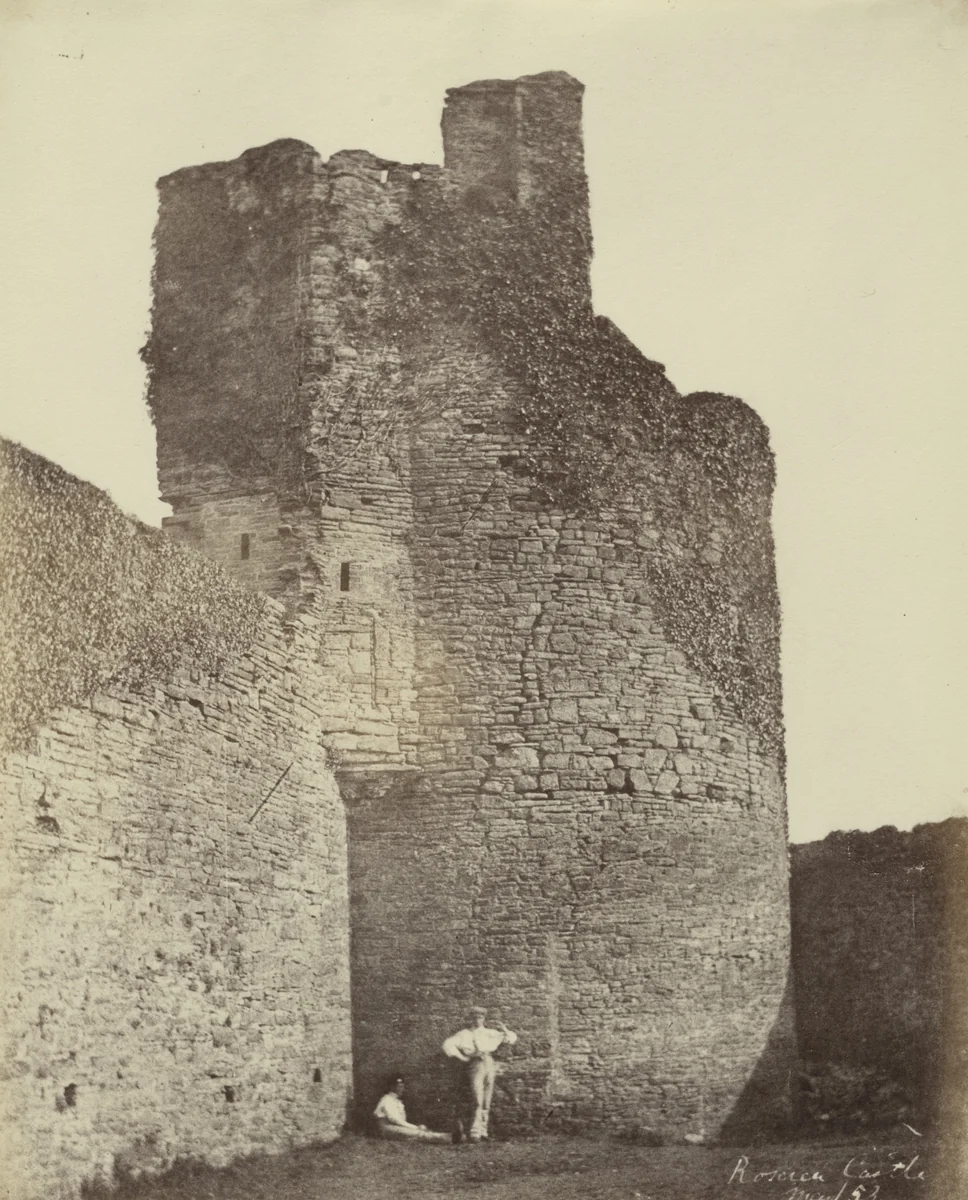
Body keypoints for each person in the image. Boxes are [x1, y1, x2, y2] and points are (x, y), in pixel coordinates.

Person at [442, 1006, 518, 1143]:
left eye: (480, 1017)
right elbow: (447, 1045)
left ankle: (483, 1131)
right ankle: (474, 1132)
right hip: (475, 1063)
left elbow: (511, 1039)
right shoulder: (464, 1034)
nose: (477, 1020)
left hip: (489, 1062)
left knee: (486, 1098)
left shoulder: (490, 1033)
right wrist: (463, 1058)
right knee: (477, 1097)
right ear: (470, 1019)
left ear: (484, 1019)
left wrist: (504, 1029)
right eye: (474, 1017)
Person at [373, 1074, 451, 1144]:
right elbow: (395, 1120)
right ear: (392, 1087)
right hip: (386, 1129)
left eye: (403, 1086)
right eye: (400, 1086)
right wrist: (415, 1127)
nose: (402, 1089)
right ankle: (449, 1138)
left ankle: (453, 1137)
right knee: (418, 1134)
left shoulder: (396, 1101)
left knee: (419, 1132)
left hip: (394, 1128)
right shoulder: (387, 1100)